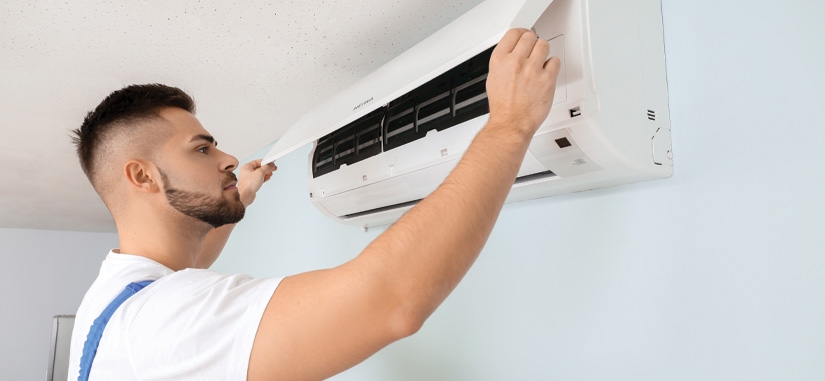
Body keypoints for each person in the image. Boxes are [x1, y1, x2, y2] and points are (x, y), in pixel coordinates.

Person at [67, 28, 561, 380]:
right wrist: (509, 125)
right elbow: (391, 301)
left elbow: (194, 252)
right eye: (202, 148)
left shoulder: (120, 290)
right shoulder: (164, 321)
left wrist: (245, 194)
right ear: (143, 176)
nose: (229, 157)